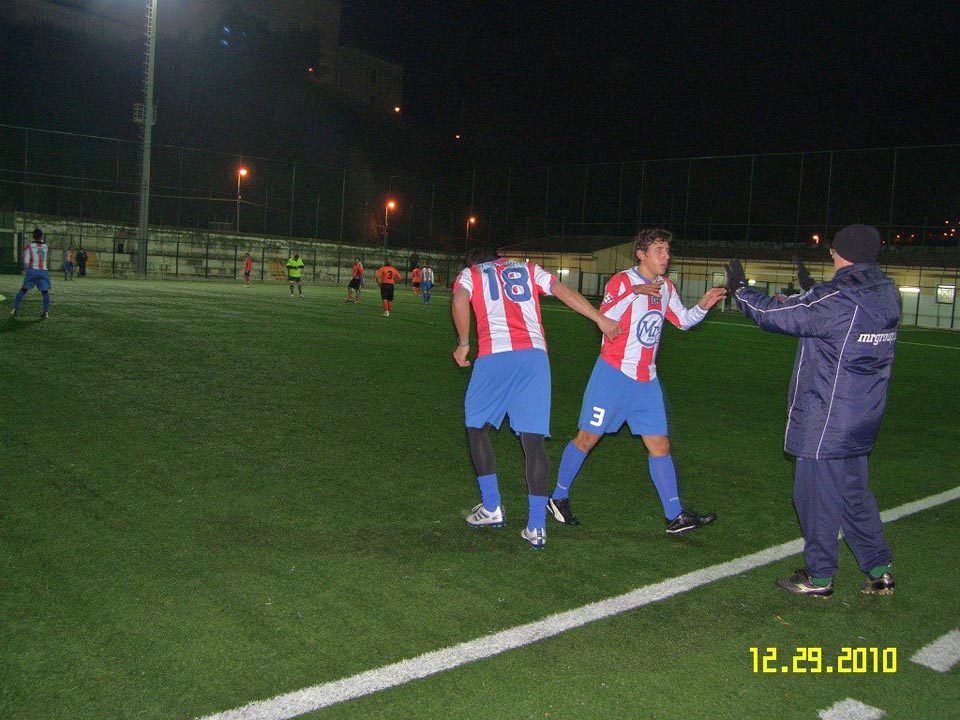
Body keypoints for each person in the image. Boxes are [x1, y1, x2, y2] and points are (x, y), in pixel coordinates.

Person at [725, 224, 900, 597]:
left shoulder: (838, 297)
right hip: (862, 414)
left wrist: (740, 290)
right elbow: (831, 316)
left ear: (841, 252)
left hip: (827, 415)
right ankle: (879, 569)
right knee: (854, 494)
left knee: (816, 497)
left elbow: (778, 315)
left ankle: (819, 577)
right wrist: (811, 288)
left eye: (833, 250)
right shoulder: (886, 292)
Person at [547, 228, 724, 534]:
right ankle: (558, 497)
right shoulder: (622, 281)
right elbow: (604, 319)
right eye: (659, 250)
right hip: (613, 375)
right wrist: (633, 294)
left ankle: (675, 515)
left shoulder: (666, 286)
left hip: (647, 379)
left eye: (668, 250)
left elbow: (682, 320)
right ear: (641, 253)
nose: (666, 257)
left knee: (660, 444)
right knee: (587, 439)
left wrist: (703, 306)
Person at [452, 247, 621, 549]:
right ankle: (536, 527)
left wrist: (464, 343)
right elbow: (562, 290)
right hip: (534, 357)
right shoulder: (529, 269)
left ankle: (492, 507)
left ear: (474, 262)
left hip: (496, 354)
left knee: (476, 426)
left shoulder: (471, 273)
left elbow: (460, 299)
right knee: (533, 441)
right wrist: (599, 319)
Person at [11, 227, 52, 319]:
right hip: (43, 271)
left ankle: (14, 309)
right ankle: (45, 312)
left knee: (23, 290)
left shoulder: (29, 247)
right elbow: (47, 249)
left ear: (33, 236)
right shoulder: (46, 246)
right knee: (45, 292)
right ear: (42, 236)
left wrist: (27, 270)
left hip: (32, 270)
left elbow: (25, 261)